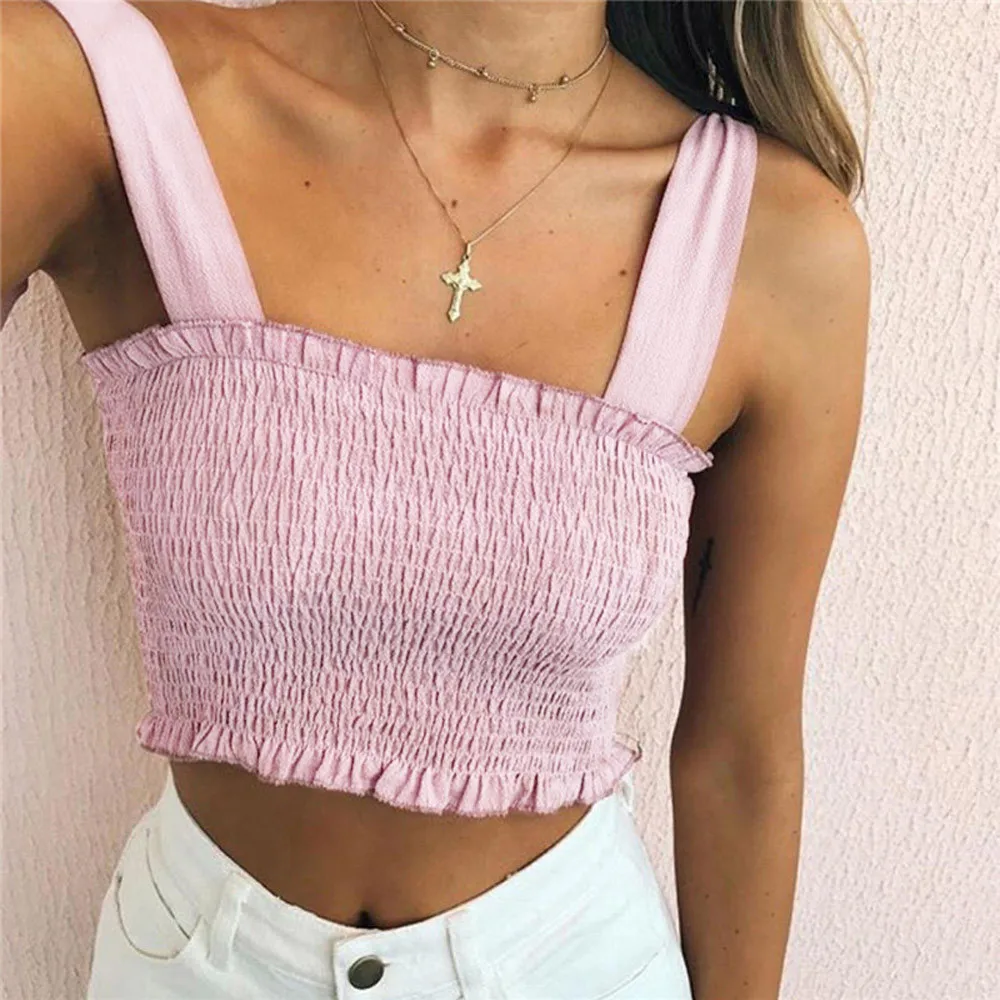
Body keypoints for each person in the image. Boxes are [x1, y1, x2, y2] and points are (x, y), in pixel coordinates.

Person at [1, 0, 871, 997]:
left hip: (572, 966)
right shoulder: (90, 91)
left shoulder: (774, 240)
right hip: (193, 964)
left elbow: (740, 752)